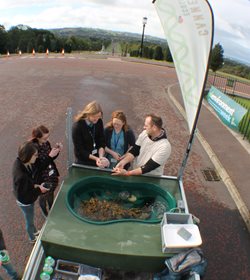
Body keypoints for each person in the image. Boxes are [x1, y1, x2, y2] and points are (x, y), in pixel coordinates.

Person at [12, 141, 58, 243]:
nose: (37, 157)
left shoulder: (21, 163)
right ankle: (32, 238)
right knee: (29, 221)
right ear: (28, 156)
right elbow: (24, 195)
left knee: (30, 220)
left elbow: (27, 185)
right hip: (25, 202)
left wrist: (36, 186)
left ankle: (35, 232)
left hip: (25, 197)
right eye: (35, 155)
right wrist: (39, 189)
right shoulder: (21, 176)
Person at [31, 125, 63, 217]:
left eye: (47, 137)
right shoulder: (33, 149)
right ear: (37, 138)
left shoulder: (46, 143)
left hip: (51, 175)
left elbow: (51, 159)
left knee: (51, 192)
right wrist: (50, 156)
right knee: (43, 196)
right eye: (44, 138)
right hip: (42, 179)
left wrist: (57, 151)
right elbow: (39, 167)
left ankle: (51, 208)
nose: (47, 140)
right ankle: (44, 211)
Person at [72, 100, 108, 167]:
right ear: (88, 114)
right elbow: (80, 150)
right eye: (95, 116)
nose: (97, 119)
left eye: (99, 116)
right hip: (83, 161)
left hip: (97, 159)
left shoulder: (99, 122)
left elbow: (101, 141)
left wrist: (100, 157)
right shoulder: (77, 126)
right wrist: (96, 159)